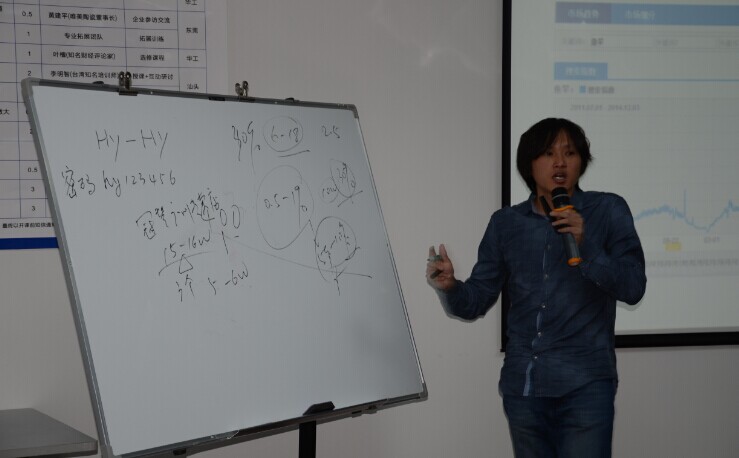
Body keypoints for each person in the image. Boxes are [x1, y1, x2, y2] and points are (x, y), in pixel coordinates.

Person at [426, 118, 646, 458]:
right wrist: (450, 286)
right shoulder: (505, 224)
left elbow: (633, 287)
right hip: (525, 388)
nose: (559, 163)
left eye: (569, 153)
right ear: (529, 164)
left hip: (586, 386)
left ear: (582, 161)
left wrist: (585, 244)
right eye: (548, 153)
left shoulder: (608, 210)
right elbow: (476, 301)